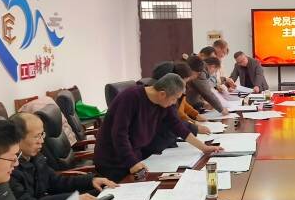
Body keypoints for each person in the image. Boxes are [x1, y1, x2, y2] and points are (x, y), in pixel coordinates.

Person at [93, 73, 222, 181]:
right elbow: (119, 134)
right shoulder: (130, 97)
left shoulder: (164, 103)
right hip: (113, 159)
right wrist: (132, 162)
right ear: (162, 94)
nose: (174, 103)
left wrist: (203, 147)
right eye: (174, 99)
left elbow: (177, 126)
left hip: (135, 155)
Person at [10, 112, 115, 200]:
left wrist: (90, 181)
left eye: (42, 134)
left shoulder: (36, 157)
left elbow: (56, 182)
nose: (41, 141)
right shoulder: (10, 169)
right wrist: (71, 199)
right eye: (37, 136)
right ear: (17, 139)